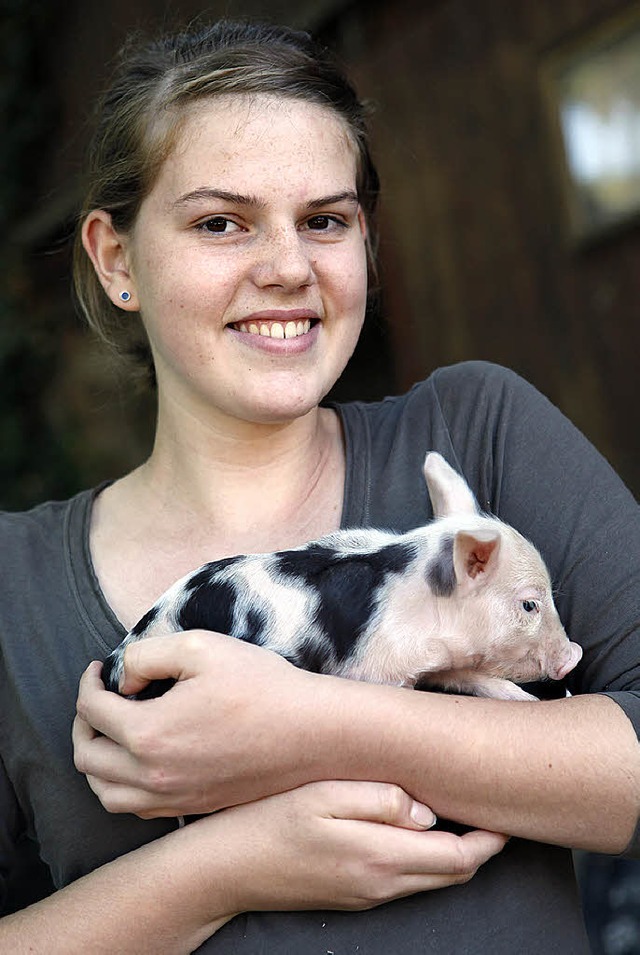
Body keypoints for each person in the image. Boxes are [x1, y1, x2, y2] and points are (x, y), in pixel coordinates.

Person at [0, 18, 638, 954]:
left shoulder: (477, 431)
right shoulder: (14, 586)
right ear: (115, 258)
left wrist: (311, 725)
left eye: (325, 221)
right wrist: (225, 867)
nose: (290, 267)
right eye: (222, 222)